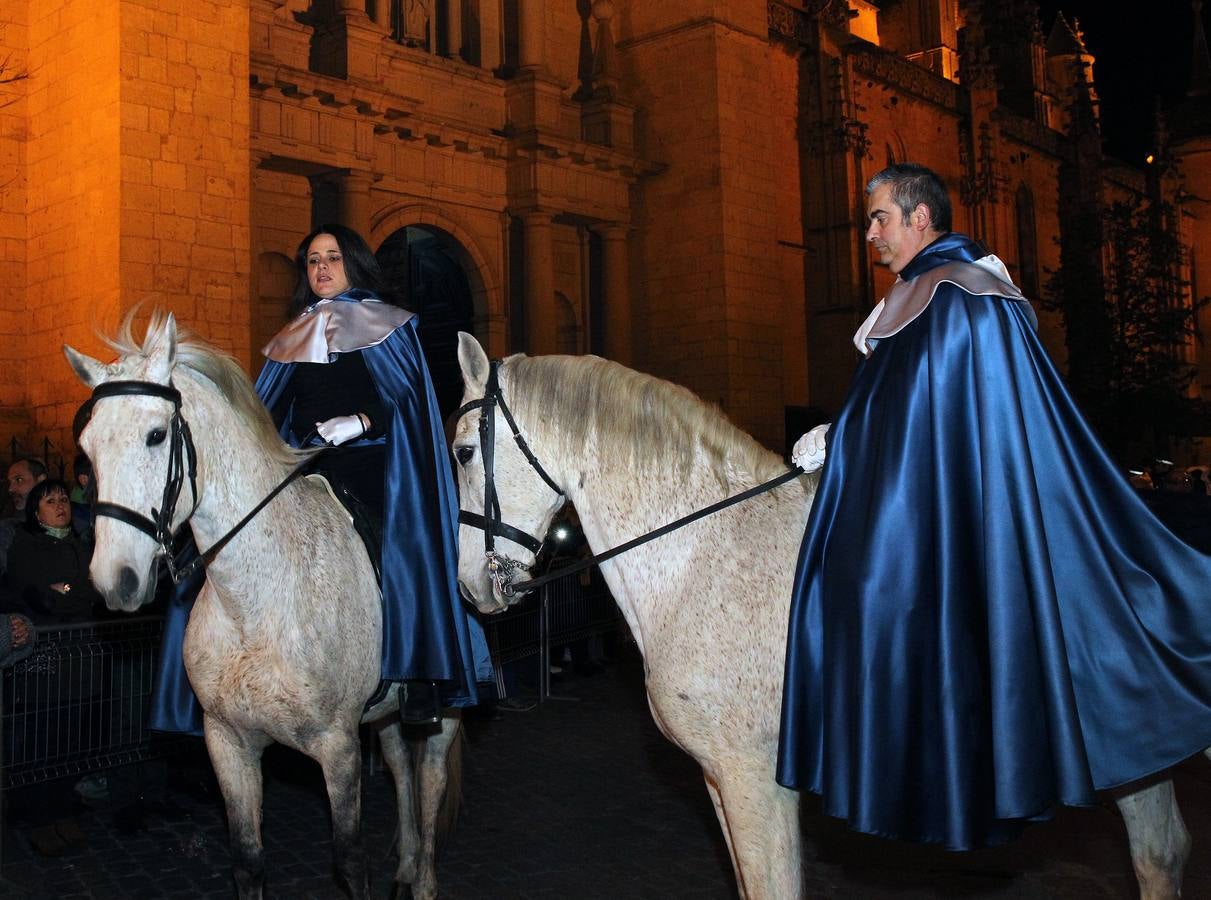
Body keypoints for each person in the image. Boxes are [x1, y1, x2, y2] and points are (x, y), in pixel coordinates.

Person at [778, 163, 1211, 851]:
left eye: (879, 218)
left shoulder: (959, 295)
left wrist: (843, 438)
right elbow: (912, 406)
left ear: (921, 218)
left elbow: (923, 411)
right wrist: (847, 432)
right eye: (867, 221)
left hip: (971, 521)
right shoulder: (927, 295)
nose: (867, 235)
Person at [151, 223, 491, 733]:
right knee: (213, 552)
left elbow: (410, 400)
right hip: (307, 463)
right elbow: (263, 414)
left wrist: (362, 421)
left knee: (404, 543)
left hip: (376, 461)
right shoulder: (291, 336)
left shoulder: (389, 325)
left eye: (332, 257)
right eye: (312, 260)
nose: (322, 268)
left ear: (352, 263)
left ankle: (423, 673)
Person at [2, 478, 101, 856]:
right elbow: (40, 597)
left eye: (62, 498)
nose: (60, 505)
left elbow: (94, 590)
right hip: (43, 665)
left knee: (73, 743)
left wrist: (71, 589)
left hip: (81, 662)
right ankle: (37, 819)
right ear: (35, 510)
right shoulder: (26, 545)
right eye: (49, 500)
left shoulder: (80, 543)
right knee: (40, 742)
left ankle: (61, 811)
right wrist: (73, 592)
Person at [1, 457, 48, 578]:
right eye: (10, 482)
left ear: (41, 481)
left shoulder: (71, 520)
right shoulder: (8, 529)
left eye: (19, 479)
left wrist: (66, 588)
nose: (11, 489)